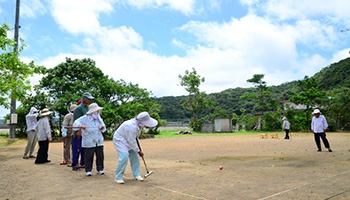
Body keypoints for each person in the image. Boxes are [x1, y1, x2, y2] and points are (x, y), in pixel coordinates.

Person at [113, 111, 158, 184]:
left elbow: (134, 138)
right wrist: (138, 150)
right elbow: (131, 140)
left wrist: (138, 150)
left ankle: (136, 174)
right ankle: (118, 177)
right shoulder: (132, 126)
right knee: (124, 157)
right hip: (120, 140)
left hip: (129, 140)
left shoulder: (138, 125)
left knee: (135, 157)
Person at [73, 103, 106, 176]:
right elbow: (75, 125)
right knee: (88, 156)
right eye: (95, 111)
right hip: (89, 141)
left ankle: (100, 169)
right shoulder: (84, 118)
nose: (97, 113)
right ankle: (88, 170)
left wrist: (102, 127)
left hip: (99, 140)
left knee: (100, 156)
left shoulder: (99, 119)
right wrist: (80, 126)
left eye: (97, 111)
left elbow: (104, 128)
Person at [72, 92, 94, 171]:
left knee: (83, 149)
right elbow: (77, 121)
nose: (90, 100)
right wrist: (79, 131)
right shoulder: (78, 108)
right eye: (89, 99)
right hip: (79, 131)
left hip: (86, 132)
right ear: (84, 99)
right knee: (77, 148)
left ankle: (83, 163)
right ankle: (75, 164)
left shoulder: (87, 108)